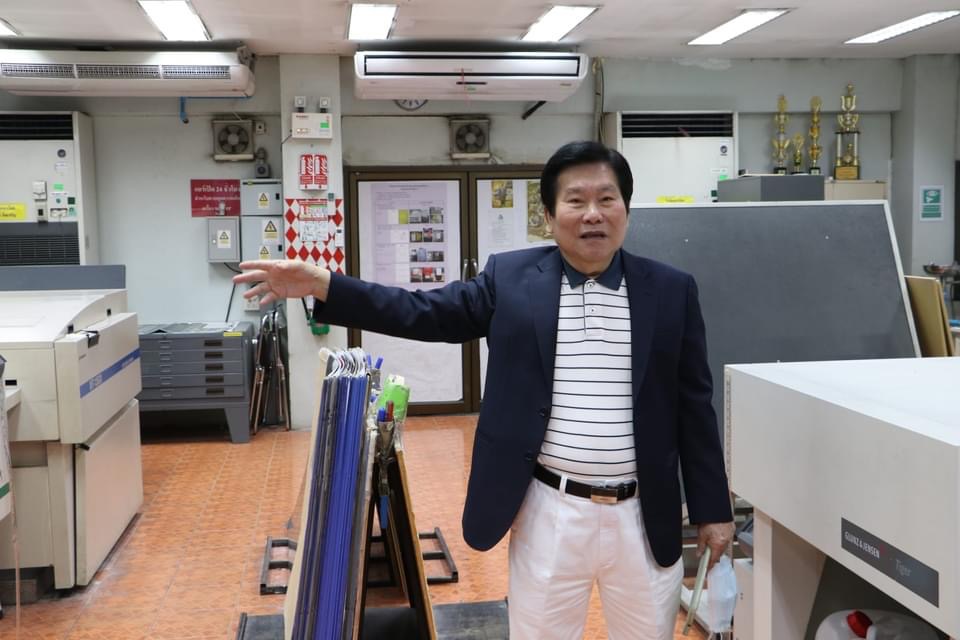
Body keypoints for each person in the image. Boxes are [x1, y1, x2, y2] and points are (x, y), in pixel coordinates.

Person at [235, 140, 734, 640]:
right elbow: (422, 312)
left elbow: (695, 406)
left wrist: (713, 510)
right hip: (550, 510)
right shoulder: (511, 279)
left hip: (644, 515)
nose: (592, 214)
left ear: (626, 208)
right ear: (549, 215)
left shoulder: (671, 291)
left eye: (607, 199)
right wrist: (324, 284)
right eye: (576, 200)